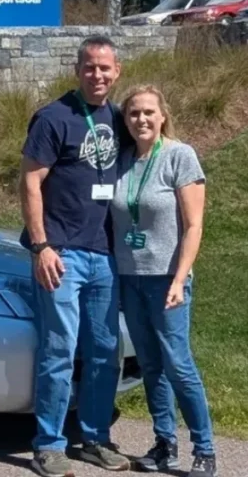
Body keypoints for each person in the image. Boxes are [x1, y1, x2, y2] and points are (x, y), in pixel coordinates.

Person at [19, 35, 132, 477]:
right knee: (59, 350)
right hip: (61, 253)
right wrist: (41, 245)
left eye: (105, 68)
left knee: (105, 350)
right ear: (77, 69)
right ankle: (49, 444)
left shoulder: (120, 119)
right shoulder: (53, 118)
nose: (97, 75)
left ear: (117, 70)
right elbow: (30, 182)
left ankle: (95, 438)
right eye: (89, 67)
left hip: (104, 255)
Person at [110, 85, 217, 477]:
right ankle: (164, 443)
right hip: (130, 278)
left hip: (166, 280)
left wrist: (178, 277)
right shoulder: (121, 161)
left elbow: (193, 226)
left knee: (178, 364)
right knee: (151, 365)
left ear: (162, 115)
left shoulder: (179, 156)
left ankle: (204, 449)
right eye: (134, 113)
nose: (141, 119)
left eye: (148, 112)